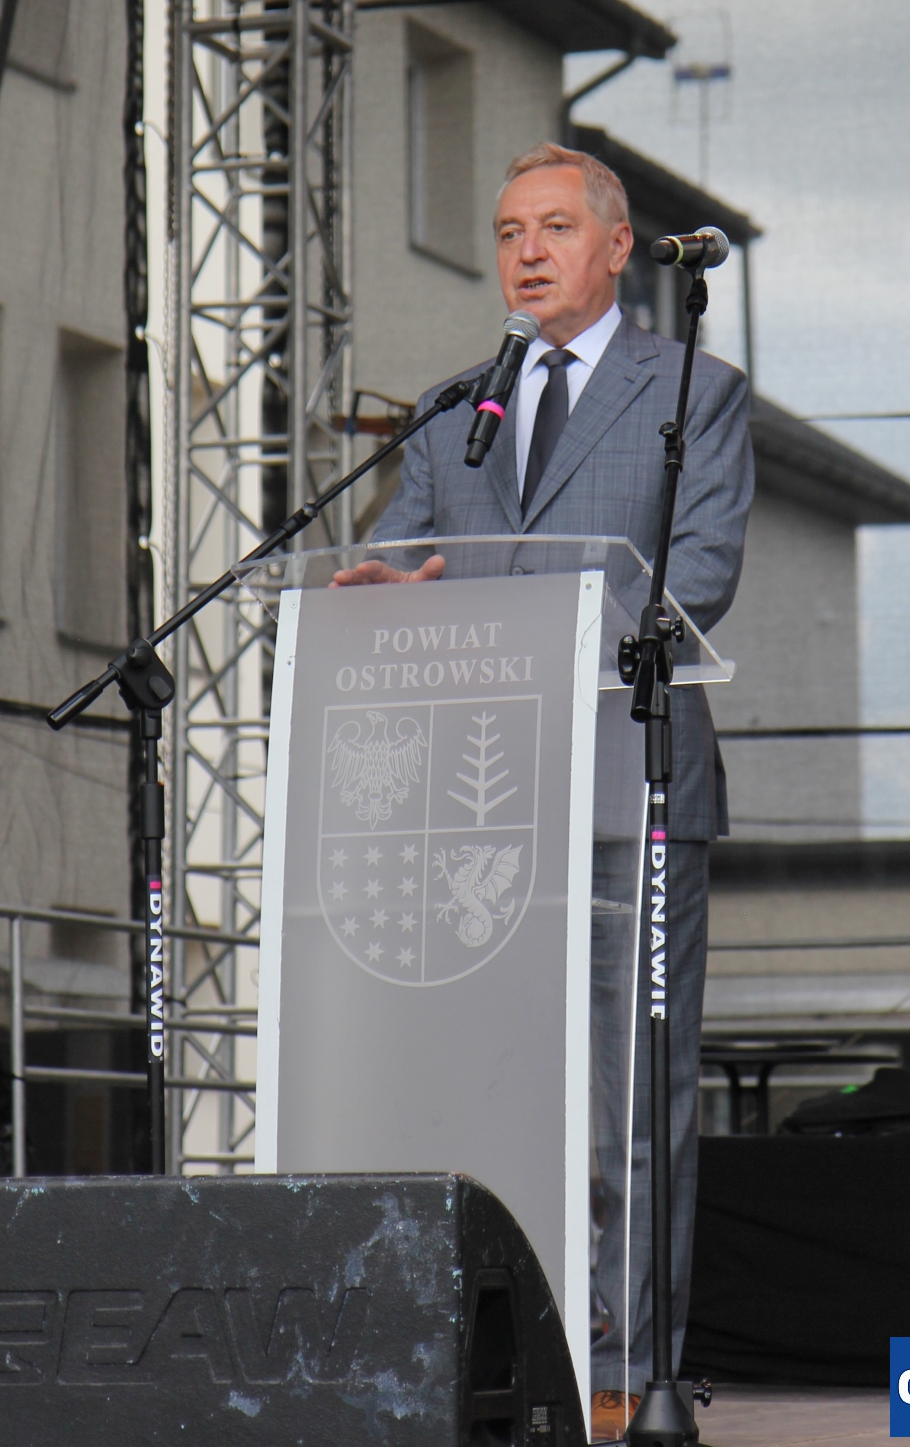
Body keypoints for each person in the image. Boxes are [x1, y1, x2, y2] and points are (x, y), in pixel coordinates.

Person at [336, 143, 753, 1441]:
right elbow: (402, 550)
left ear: (617, 248)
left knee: (631, 1101)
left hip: (632, 783)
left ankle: (628, 1369)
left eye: (556, 228)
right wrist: (385, 586)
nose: (527, 252)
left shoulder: (693, 390)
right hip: (478, 808)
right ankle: (494, 1351)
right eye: (510, 230)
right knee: (490, 1086)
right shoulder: (460, 403)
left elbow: (698, 576)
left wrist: (539, 634)